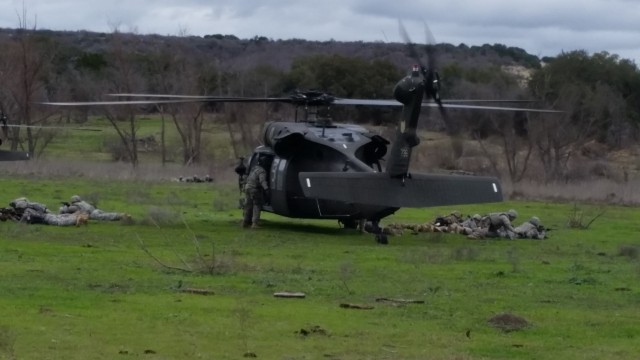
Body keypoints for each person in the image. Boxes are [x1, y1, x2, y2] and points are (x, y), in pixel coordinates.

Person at [242, 157, 269, 228]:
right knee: (256, 205)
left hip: (247, 187)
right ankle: (255, 223)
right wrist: (266, 189)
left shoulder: (254, 168)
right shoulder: (262, 171)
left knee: (248, 206)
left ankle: (245, 222)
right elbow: (262, 181)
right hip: (254, 189)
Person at [59, 195, 129, 221]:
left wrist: (65, 206)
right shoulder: (83, 202)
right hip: (96, 210)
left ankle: (120, 216)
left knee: (106, 217)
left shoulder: (76, 205)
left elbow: (66, 211)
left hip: (93, 214)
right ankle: (120, 215)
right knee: (107, 214)